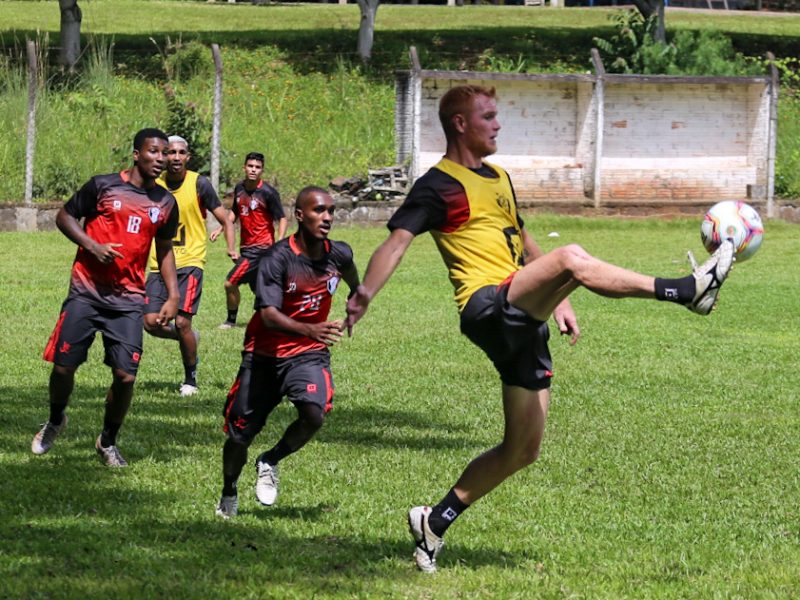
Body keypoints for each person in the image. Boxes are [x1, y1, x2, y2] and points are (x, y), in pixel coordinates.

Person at [344, 84, 735, 572]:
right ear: (461, 124)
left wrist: (560, 297)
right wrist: (364, 294)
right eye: (488, 116)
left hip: (521, 315)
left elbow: (524, 239)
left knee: (523, 448)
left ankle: (434, 522)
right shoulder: (437, 184)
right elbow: (397, 242)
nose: (498, 123)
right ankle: (685, 289)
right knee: (571, 255)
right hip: (487, 306)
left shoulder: (500, 177)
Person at [32, 128, 181, 467]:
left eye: (164, 153)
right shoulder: (102, 186)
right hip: (86, 291)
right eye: (153, 152)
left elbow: (166, 248)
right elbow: (64, 216)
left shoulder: (165, 202)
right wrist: (92, 245)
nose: (160, 159)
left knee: (126, 376)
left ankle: (108, 441)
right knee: (63, 367)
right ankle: (56, 419)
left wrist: (173, 295)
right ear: (136, 154)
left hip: (128, 300)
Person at [215, 186, 359, 519]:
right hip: (263, 355)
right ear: (299, 215)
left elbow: (354, 280)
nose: (326, 218)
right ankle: (229, 492)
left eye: (331, 211)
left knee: (314, 414)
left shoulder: (339, 254)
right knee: (239, 434)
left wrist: (356, 301)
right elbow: (268, 315)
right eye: (318, 211)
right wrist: (312, 328)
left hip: (308, 353)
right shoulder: (276, 259)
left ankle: (270, 460)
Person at [143, 135, 237, 397]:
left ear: (188, 157)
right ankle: (189, 338)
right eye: (169, 152)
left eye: (180, 153)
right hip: (157, 264)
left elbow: (226, 217)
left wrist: (230, 246)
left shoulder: (199, 184)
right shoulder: (154, 183)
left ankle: (190, 379)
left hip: (190, 263)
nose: (174, 157)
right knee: (150, 322)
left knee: (182, 322)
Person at [213, 152, 287, 330]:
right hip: (246, 247)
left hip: (261, 249)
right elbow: (235, 213)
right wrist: (221, 226)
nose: (253, 170)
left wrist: (279, 242)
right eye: (250, 166)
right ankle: (278, 318)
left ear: (262, 170)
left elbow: (282, 218)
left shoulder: (268, 192)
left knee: (230, 282)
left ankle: (230, 321)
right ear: (244, 168)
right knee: (261, 291)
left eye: (257, 167)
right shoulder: (239, 188)